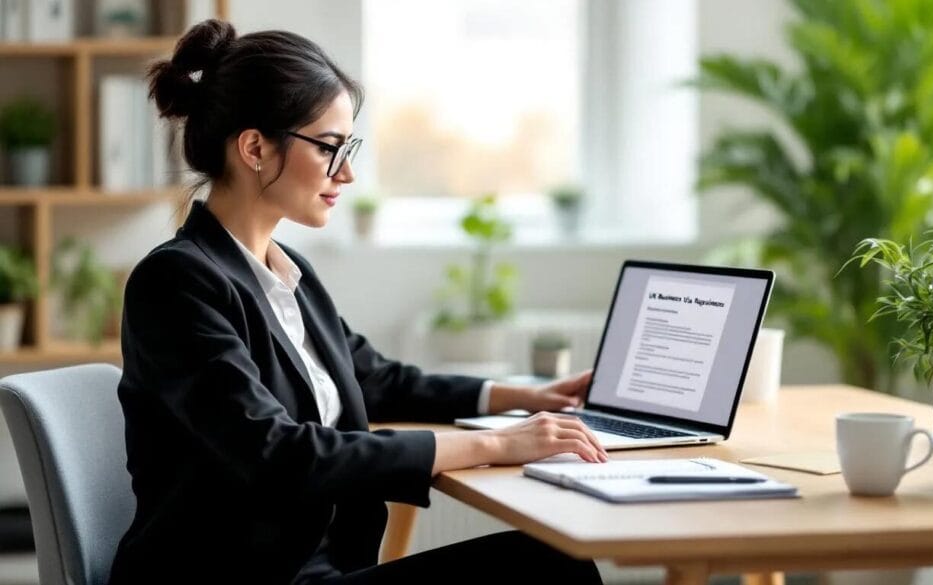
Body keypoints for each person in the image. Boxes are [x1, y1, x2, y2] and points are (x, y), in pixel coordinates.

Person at [107, 19, 608, 585]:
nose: (345, 173)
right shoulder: (175, 283)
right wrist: (497, 443)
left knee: (555, 561)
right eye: (328, 148)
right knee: (553, 567)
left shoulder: (289, 273)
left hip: (321, 568)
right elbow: (277, 454)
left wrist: (526, 397)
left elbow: (377, 379)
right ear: (253, 148)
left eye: (348, 148)